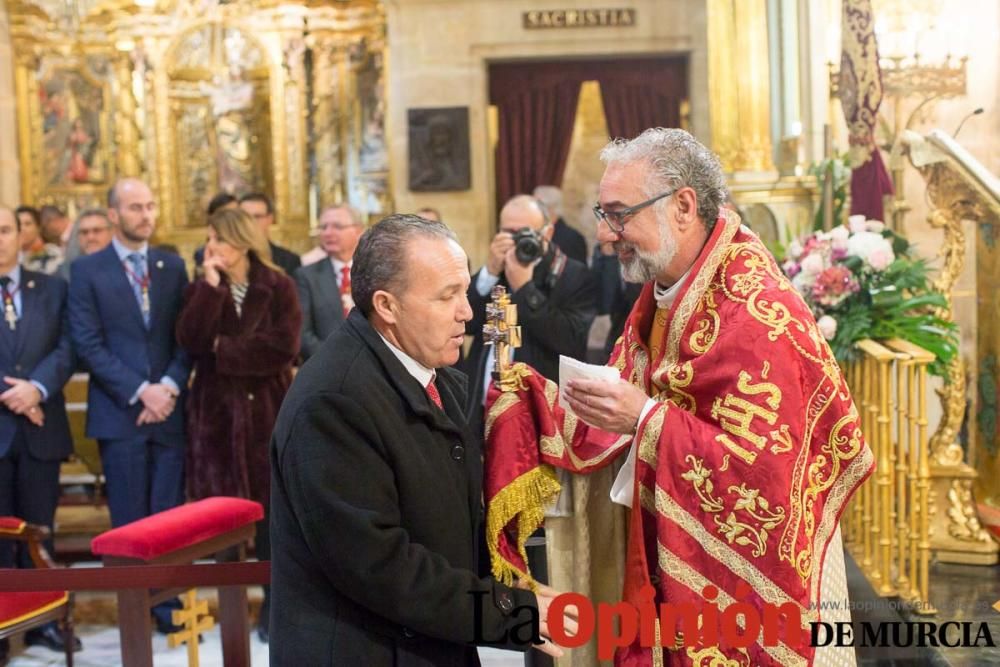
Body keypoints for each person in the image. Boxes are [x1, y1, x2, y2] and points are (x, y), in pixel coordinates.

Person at [486, 128, 872, 666]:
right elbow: (629, 400)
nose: (605, 233)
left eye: (619, 214)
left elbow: (767, 476)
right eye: (603, 213)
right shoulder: (668, 291)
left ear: (684, 206)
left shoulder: (756, 312)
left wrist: (644, 418)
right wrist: (540, 403)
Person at [269, 214, 575, 665]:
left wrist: (514, 583)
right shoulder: (333, 401)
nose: (467, 312)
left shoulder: (435, 376)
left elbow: (448, 516)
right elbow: (379, 566)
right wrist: (511, 613)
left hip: (428, 641)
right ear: (387, 306)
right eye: (447, 296)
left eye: (463, 291)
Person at [68, 178, 191, 634]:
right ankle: (134, 612)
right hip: (121, 412)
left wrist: (170, 386)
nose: (146, 214)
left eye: (151, 205)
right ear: (115, 214)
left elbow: (187, 336)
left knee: (168, 516)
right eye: (136, 207)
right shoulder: (87, 271)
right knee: (128, 520)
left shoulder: (172, 266)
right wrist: (143, 390)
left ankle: (168, 606)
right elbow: (87, 342)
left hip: (169, 412)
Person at [176, 208, 301, 643]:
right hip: (217, 415)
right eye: (210, 239)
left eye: (221, 240)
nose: (214, 248)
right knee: (223, 520)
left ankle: (273, 607)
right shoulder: (201, 287)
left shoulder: (279, 285)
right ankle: (231, 608)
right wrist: (209, 292)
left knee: (271, 520)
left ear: (243, 241)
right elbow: (192, 342)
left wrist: (223, 350)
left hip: (267, 411)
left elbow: (283, 348)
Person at [0, 206, 80, 656]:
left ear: (20, 235)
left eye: (6, 231)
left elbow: (70, 346)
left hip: (41, 428)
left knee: (38, 529)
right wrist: (12, 394)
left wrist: (37, 388)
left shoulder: (52, 288)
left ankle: (41, 620)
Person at [464, 194, 595, 430]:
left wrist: (525, 289)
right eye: (508, 232)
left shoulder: (573, 275)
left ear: (547, 233)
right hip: (484, 409)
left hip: (541, 414)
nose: (516, 241)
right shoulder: (497, 269)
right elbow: (466, 324)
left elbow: (571, 341)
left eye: (525, 232)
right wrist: (490, 273)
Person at [294, 203, 364, 361]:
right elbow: (303, 333)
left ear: (358, 230)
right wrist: (335, 362)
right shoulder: (307, 276)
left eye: (337, 226)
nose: (327, 233)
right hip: (327, 367)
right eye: (323, 227)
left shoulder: (375, 271)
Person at [239, 193, 301, 276]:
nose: (250, 222)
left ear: (270, 219)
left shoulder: (289, 260)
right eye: (245, 217)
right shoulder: (230, 257)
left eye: (257, 216)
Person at [533, 185, 587, 265]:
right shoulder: (535, 233)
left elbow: (578, 273)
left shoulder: (572, 238)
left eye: (534, 207)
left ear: (549, 209)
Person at [58, 209, 114, 281]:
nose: (90, 237)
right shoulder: (63, 274)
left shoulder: (126, 267)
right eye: (84, 232)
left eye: (97, 230)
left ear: (112, 232)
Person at [16, 205, 62, 275]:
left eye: (27, 224)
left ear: (38, 227)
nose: (22, 229)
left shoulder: (52, 253)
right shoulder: (10, 256)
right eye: (18, 225)